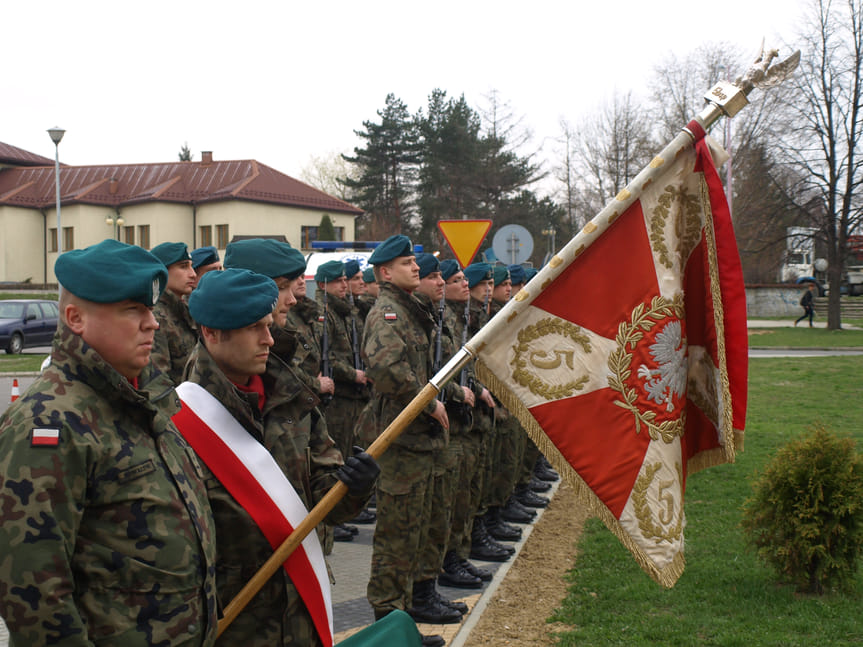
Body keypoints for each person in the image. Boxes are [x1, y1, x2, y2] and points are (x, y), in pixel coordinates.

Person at [0, 239, 218, 646]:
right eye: (131, 310)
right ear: (75, 318)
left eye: (150, 310)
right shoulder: (48, 421)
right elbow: (32, 592)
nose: (151, 323)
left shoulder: (142, 400)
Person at [179, 268, 380, 646]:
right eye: (254, 327)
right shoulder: (182, 417)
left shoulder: (290, 397)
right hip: (236, 622)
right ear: (211, 333)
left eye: (269, 325)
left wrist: (352, 487)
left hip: (298, 610)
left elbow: (322, 495)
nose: (269, 339)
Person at [359, 236, 456, 647]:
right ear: (385, 273)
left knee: (419, 531)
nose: (415, 268)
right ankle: (389, 628)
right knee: (396, 540)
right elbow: (385, 367)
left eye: (415, 262)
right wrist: (427, 402)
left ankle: (409, 616)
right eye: (405, 263)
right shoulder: (388, 312)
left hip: (419, 443)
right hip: (400, 444)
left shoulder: (412, 310)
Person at [151, 241, 199, 384]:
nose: (193, 274)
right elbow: (158, 381)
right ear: (162, 272)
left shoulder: (182, 309)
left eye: (191, 266)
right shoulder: (156, 317)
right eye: (184, 267)